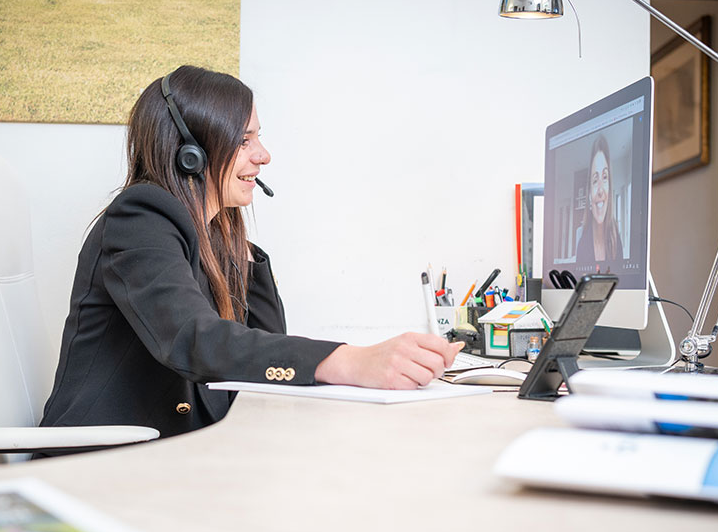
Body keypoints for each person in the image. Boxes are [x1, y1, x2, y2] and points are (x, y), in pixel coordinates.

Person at [38, 65, 461, 443]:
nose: (263, 155)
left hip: (174, 453)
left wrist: (241, 250)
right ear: (192, 155)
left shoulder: (210, 235)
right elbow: (192, 339)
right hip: (101, 461)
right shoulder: (141, 216)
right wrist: (350, 361)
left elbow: (265, 346)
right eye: (243, 140)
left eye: (258, 137)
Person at [574, 134, 623, 266]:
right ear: (589, 193)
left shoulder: (616, 242)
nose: (601, 190)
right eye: (595, 180)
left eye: (605, 177)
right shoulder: (582, 245)